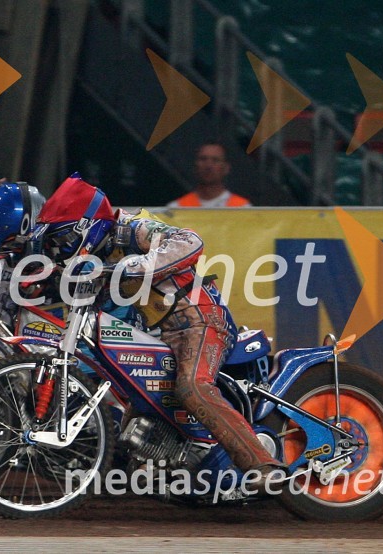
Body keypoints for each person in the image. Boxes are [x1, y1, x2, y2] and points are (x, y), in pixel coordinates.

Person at [33, 174, 284, 489]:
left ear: (87, 226)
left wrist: (129, 267)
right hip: (160, 333)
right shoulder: (96, 255)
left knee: (192, 389)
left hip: (201, 320)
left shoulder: (132, 229)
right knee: (136, 398)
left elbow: (190, 241)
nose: (61, 247)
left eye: (63, 238)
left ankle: (262, 464)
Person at [167, 142, 251, 208]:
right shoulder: (177, 209)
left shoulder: (241, 208)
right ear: (195, 165)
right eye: (203, 159)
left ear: (226, 168)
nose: (208, 165)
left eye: (215, 160)